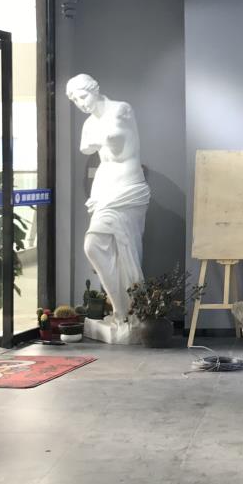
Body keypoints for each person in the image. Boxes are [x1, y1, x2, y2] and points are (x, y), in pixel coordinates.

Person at [67, 73, 151, 326]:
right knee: (93, 246)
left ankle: (135, 311)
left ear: (94, 89)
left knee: (129, 251)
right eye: (75, 101)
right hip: (105, 192)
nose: (80, 103)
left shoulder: (121, 109)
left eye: (82, 96)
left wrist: (100, 137)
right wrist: (98, 137)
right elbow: (85, 146)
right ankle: (119, 308)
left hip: (128, 189)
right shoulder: (89, 122)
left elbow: (115, 141)